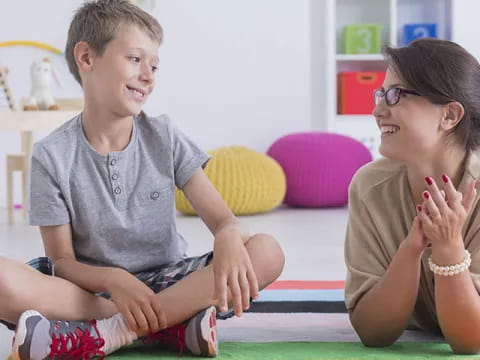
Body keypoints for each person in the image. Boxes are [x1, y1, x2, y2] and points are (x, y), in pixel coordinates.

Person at [6, 0, 285, 358]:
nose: (149, 75)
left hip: (171, 280)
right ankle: (172, 325)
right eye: (135, 60)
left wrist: (229, 236)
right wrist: (113, 279)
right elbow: (62, 262)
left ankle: (110, 332)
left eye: (154, 65)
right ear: (87, 58)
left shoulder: (164, 136)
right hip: (90, 293)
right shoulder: (51, 155)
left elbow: (223, 219)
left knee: (266, 251)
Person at [344, 38, 480, 354]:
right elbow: (373, 332)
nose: (378, 110)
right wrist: (410, 249)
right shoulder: (369, 187)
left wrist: (448, 248)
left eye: (396, 95)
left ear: (449, 116)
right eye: (380, 94)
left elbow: (471, 341)